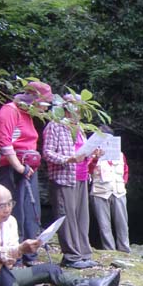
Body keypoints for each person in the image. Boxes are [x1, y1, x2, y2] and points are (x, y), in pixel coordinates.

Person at [0, 81, 52, 266]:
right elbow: (5, 142)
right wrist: (19, 167)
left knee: (30, 211)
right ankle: (14, 256)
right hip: (11, 168)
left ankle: (30, 255)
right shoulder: (10, 111)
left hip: (28, 168)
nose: (45, 108)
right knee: (13, 211)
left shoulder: (27, 114)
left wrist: (26, 168)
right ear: (33, 99)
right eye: (44, 104)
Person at [42, 94, 101, 268]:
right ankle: (71, 257)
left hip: (82, 177)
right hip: (64, 178)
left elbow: (83, 153)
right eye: (76, 107)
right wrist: (68, 159)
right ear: (67, 108)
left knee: (82, 217)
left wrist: (94, 154)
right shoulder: (55, 125)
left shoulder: (79, 128)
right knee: (66, 217)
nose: (79, 111)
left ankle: (84, 253)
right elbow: (47, 153)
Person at [88, 125, 131, 253]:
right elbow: (88, 170)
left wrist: (123, 182)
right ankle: (109, 250)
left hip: (118, 191)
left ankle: (124, 249)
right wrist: (95, 158)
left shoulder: (120, 154)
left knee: (122, 223)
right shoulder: (92, 155)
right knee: (104, 225)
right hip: (100, 192)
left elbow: (125, 170)